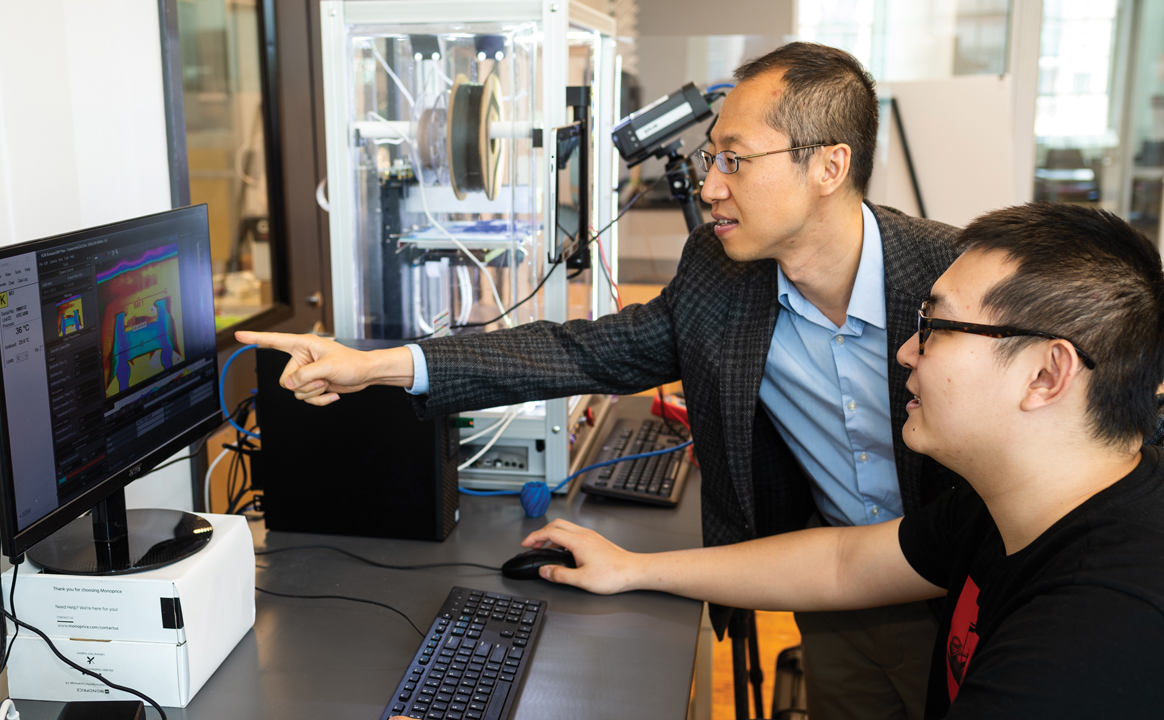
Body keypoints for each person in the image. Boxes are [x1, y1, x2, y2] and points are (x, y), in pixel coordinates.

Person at [238, 42, 961, 718]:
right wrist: (377, 367)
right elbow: (580, 353)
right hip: (831, 594)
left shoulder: (951, 280)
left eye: (735, 160)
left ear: (828, 167)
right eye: (712, 157)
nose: (710, 187)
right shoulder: (721, 273)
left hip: (974, 597)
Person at [517, 203, 1164, 718]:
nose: (906, 352)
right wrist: (633, 569)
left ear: (1047, 374)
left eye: (936, 327)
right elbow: (844, 561)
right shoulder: (1010, 506)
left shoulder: (1093, 635)